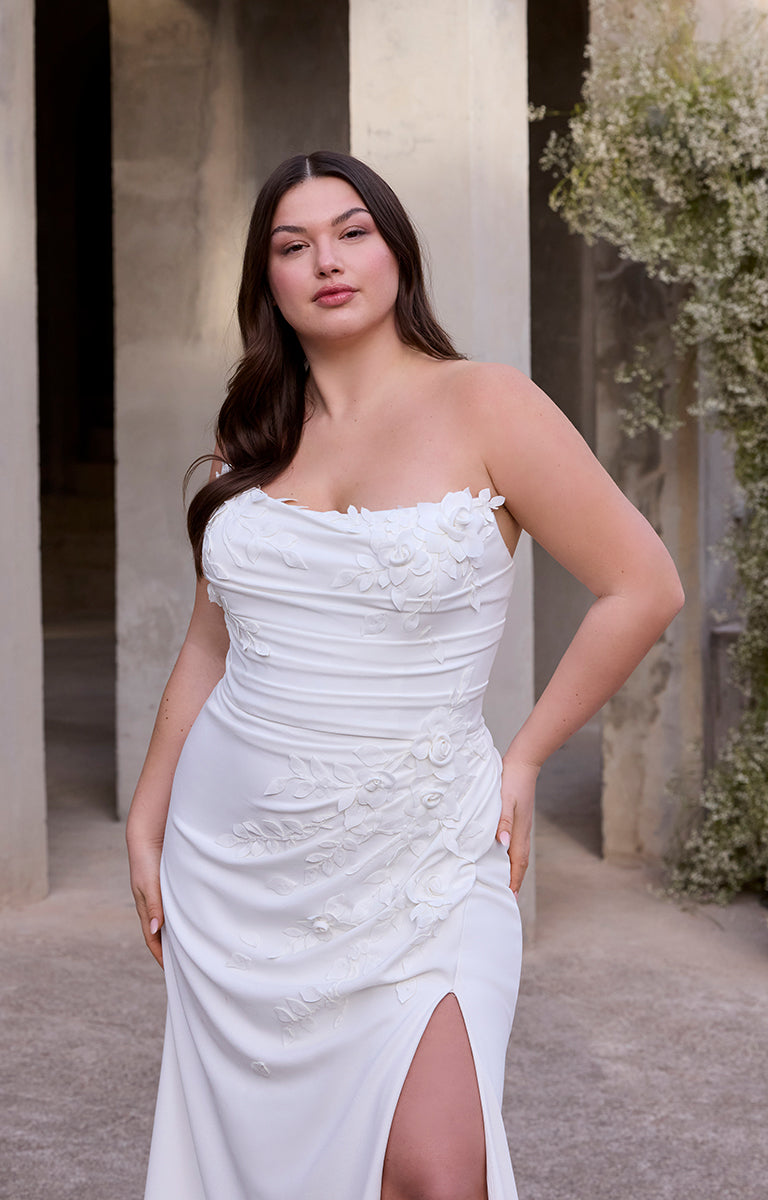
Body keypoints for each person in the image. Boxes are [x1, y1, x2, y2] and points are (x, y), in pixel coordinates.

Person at [127, 149, 684, 1200]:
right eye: (292, 246)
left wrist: (522, 758)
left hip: (425, 851)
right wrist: (147, 813)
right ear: (268, 283)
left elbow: (644, 585)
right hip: (237, 868)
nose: (325, 261)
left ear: (395, 252)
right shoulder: (250, 435)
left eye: (352, 232)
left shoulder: (488, 405)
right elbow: (210, 647)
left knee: (439, 1171)